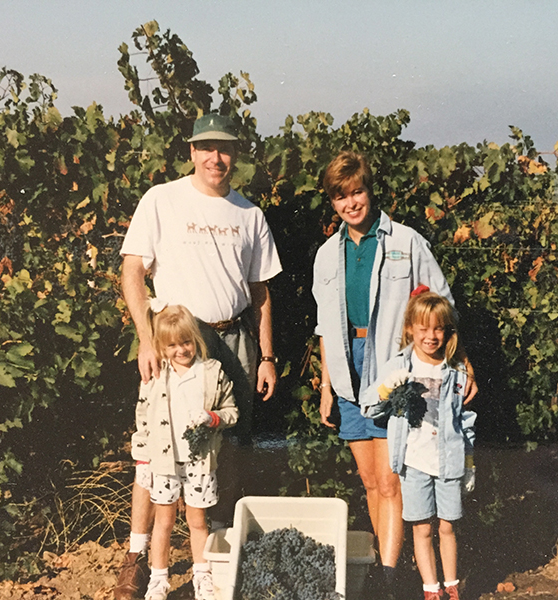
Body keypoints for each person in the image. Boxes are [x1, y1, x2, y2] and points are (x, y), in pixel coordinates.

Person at [114, 113, 282, 600]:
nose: (216, 157)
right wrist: (148, 340)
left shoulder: (249, 214)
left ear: (236, 155)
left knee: (225, 449)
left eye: (225, 148)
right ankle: (137, 559)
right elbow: (131, 272)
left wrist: (266, 355)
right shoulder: (162, 199)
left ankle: (214, 564)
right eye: (206, 147)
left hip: (235, 344)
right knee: (154, 453)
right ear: (190, 151)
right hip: (178, 344)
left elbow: (260, 292)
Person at [311, 151, 476, 593]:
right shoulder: (328, 255)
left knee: (391, 479)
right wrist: (327, 387)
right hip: (347, 368)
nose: (351, 204)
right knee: (369, 480)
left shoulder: (406, 241)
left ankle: (386, 578)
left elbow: (443, 304)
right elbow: (326, 327)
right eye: (341, 197)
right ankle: (384, 568)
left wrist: (459, 361)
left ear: (370, 190)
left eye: (357, 192)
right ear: (333, 202)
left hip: (393, 373)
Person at [363, 289, 476, 600]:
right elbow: (369, 408)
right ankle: (431, 589)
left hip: (448, 461)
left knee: (448, 527)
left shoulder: (455, 371)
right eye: (423, 328)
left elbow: (464, 420)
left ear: (447, 331)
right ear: (410, 328)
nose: (431, 336)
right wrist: (388, 387)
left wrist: (468, 464)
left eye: (438, 328)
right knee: (422, 528)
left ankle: (451, 586)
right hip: (413, 463)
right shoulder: (400, 365)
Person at [131, 304, 238, 600]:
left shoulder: (211, 372)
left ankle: (202, 576)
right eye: (173, 345)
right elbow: (143, 417)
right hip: (164, 462)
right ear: (162, 347)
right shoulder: (155, 375)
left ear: (196, 339)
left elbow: (231, 412)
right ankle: (158, 579)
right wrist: (142, 457)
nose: (181, 350)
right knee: (163, 521)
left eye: (186, 342)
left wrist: (212, 418)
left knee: (197, 521)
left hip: (199, 462)